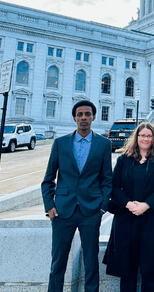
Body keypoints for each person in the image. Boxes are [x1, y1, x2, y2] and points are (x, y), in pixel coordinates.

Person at [103, 122, 154, 292]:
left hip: (153, 217)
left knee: (150, 270)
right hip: (127, 217)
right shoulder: (123, 159)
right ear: (136, 137)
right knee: (126, 270)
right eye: (142, 135)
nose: (145, 139)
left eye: (149, 136)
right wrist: (128, 204)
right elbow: (114, 186)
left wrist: (146, 205)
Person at [41, 100, 112, 292]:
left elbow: (107, 179)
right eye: (80, 114)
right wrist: (50, 206)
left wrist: (102, 207)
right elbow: (48, 180)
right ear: (74, 118)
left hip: (91, 211)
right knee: (58, 264)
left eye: (87, 114)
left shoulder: (104, 145)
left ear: (93, 117)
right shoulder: (60, 144)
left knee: (91, 262)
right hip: (63, 211)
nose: (83, 118)